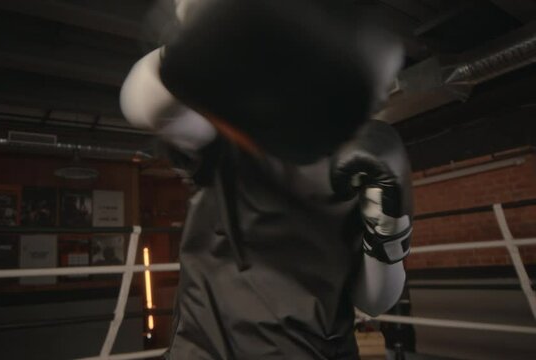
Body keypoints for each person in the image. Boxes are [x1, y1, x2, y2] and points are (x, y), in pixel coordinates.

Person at [121, 1, 413, 358]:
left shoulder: (366, 156)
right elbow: (144, 105)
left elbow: (375, 301)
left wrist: (389, 232)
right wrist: (208, 29)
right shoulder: (226, 134)